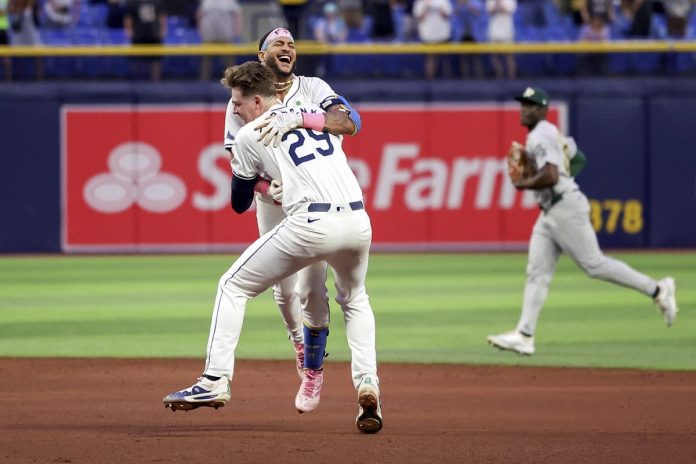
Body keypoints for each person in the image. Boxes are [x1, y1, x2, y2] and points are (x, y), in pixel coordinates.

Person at [162, 60, 383, 434]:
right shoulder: (316, 116)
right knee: (355, 299)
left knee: (233, 286)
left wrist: (259, 184)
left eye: (239, 102)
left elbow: (237, 201)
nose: (235, 109)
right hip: (359, 221)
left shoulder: (249, 134)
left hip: (311, 223)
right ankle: (368, 384)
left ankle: (214, 379)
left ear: (259, 103)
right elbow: (350, 122)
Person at [222, 27, 363, 409]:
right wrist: (268, 190)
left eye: (291, 44)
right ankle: (298, 342)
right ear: (262, 54)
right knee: (282, 291)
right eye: (278, 44)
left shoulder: (313, 87)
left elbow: (353, 123)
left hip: (314, 200)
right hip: (274, 202)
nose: (287, 48)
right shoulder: (243, 101)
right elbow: (240, 166)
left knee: (310, 288)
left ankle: (314, 371)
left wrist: (303, 117)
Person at [487, 86, 679, 356]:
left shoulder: (541, 132)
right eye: (522, 104)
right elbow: (578, 160)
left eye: (530, 105)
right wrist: (538, 175)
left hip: (564, 207)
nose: (524, 109)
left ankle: (659, 289)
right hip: (550, 212)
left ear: (542, 110)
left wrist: (524, 183)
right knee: (537, 273)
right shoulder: (548, 133)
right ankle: (525, 335)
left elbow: (552, 176)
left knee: (594, 265)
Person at [197, 0, 243, 80]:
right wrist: (200, 30)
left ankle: (232, 81)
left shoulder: (230, 1)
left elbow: (237, 14)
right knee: (206, 62)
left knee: (229, 62)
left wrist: (237, 30)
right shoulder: (206, 1)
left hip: (226, 35)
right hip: (209, 36)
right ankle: (203, 83)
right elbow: (200, 14)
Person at [124, 0, 167, 81]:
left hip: (154, 34)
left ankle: (156, 81)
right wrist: (129, 30)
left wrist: (163, 30)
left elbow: (162, 16)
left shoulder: (157, 2)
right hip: (138, 35)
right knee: (137, 60)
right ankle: (137, 81)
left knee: (156, 60)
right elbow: (128, 17)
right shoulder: (133, 3)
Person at [413, 0, 453, 79]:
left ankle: (448, 81)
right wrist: (425, 7)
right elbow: (419, 18)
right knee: (430, 58)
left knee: (445, 59)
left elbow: (447, 16)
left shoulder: (443, 1)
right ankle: (430, 80)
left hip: (443, 34)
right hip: (428, 35)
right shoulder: (420, 2)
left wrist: (439, 9)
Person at [486, 0, 517, 79]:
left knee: (509, 55)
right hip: (494, 32)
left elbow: (508, 11)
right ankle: (499, 76)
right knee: (495, 56)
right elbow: (489, 12)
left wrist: (499, 4)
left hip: (507, 31)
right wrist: (496, 5)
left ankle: (511, 77)